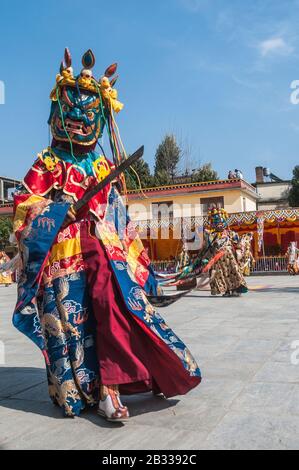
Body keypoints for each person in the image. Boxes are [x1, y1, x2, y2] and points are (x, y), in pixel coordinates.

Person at [12, 48, 201, 422]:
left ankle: (119, 384)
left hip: (105, 253)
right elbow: (23, 204)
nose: (80, 121)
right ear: (58, 113)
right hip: (64, 255)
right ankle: (85, 391)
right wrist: (55, 210)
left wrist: (139, 260)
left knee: (117, 311)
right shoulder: (48, 163)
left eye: (88, 115)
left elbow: (117, 213)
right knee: (73, 326)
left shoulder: (102, 164)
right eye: (72, 113)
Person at [203, 207, 248, 297]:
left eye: (221, 223)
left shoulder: (231, 233)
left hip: (230, 259)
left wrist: (239, 252)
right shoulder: (211, 235)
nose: (219, 225)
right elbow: (208, 248)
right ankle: (226, 290)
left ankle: (236, 290)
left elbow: (238, 244)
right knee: (221, 275)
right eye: (217, 223)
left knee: (233, 273)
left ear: (224, 222)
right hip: (217, 260)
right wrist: (206, 258)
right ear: (213, 224)